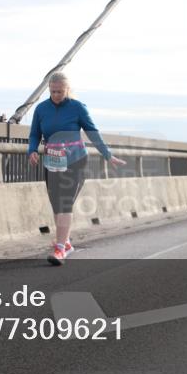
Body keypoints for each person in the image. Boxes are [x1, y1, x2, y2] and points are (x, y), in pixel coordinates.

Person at [28, 72, 125, 265]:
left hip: (75, 161)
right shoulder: (41, 109)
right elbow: (34, 134)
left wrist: (107, 154)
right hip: (53, 162)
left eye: (60, 91)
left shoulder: (77, 107)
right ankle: (65, 242)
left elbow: (92, 132)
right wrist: (32, 150)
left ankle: (60, 248)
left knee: (64, 203)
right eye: (53, 91)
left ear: (67, 89)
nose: (56, 95)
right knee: (56, 205)